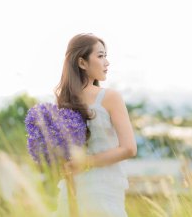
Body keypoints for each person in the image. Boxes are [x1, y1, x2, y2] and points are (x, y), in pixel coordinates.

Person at [52, 33, 137, 217]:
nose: (107, 62)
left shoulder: (63, 102)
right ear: (82, 63)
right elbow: (129, 148)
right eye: (100, 56)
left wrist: (84, 163)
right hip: (96, 190)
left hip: (87, 188)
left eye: (106, 56)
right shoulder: (110, 97)